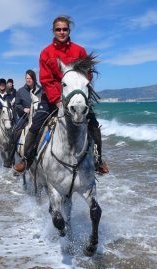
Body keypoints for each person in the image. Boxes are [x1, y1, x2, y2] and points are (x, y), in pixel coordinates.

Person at [14, 15, 109, 174]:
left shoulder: (79, 50)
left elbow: (88, 74)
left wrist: (77, 86)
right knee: (36, 125)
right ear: (53, 31)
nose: (62, 32)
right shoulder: (46, 52)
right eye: (58, 29)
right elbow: (45, 79)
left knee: (93, 125)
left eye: (65, 29)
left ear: (69, 30)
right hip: (52, 98)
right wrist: (57, 99)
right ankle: (27, 158)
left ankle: (98, 160)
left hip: (75, 97)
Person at [8, 70, 42, 161]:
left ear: (34, 79)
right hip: (25, 117)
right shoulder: (21, 91)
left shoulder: (40, 90)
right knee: (15, 132)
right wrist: (24, 109)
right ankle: (9, 158)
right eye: (27, 78)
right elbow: (17, 105)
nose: (28, 80)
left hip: (39, 117)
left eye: (30, 78)